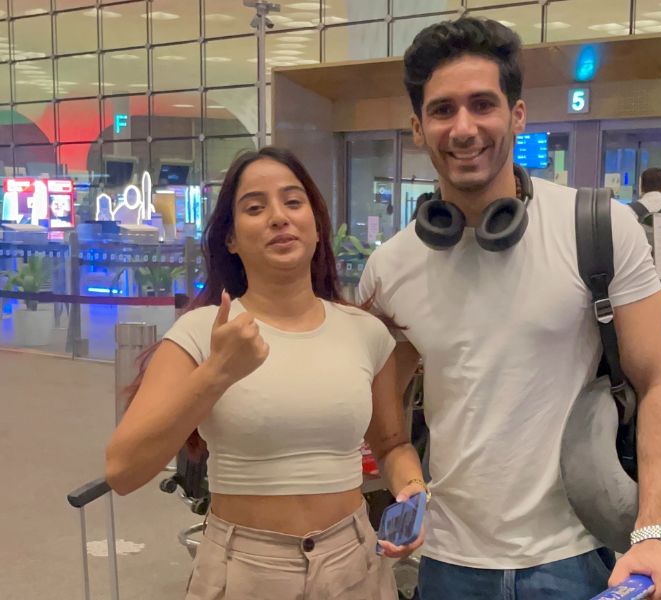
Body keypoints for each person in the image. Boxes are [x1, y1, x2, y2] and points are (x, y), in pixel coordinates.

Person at [357, 17, 661, 600]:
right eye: (442, 110)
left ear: (516, 115)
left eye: (482, 104)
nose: (464, 128)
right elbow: (385, 430)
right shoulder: (391, 267)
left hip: (579, 553)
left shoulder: (598, 227)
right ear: (418, 127)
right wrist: (407, 485)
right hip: (450, 563)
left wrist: (656, 530)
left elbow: (660, 381)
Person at [105, 147, 425, 600]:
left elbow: (392, 445)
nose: (278, 217)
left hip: (353, 564)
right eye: (255, 208)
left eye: (293, 202)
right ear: (231, 238)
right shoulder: (201, 333)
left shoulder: (364, 332)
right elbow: (122, 471)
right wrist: (217, 373)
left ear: (316, 225)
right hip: (243, 570)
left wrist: (412, 490)